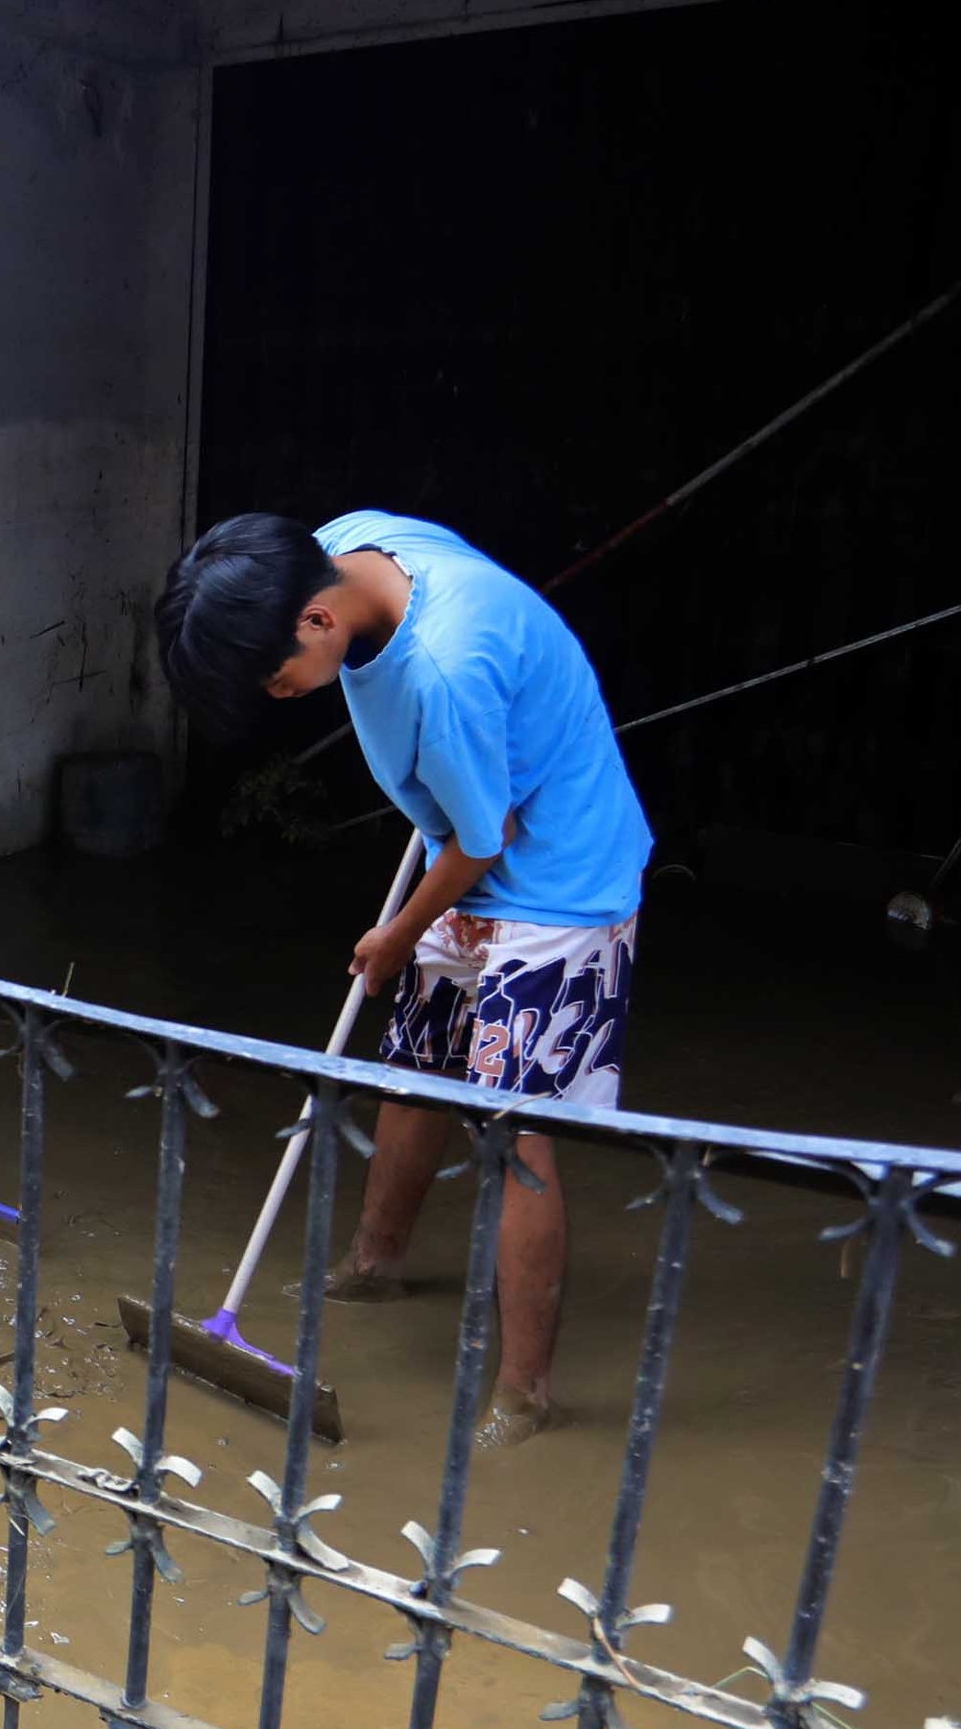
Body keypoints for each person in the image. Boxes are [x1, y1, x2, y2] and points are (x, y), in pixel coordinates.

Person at [154, 510, 650, 1447]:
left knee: (515, 1133)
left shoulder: (445, 670)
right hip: (467, 834)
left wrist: (395, 934)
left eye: (276, 678)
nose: (282, 695)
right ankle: (376, 1263)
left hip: (554, 878)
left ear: (318, 622)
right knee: (415, 1065)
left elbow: (483, 837)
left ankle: (524, 1392)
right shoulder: (350, 545)